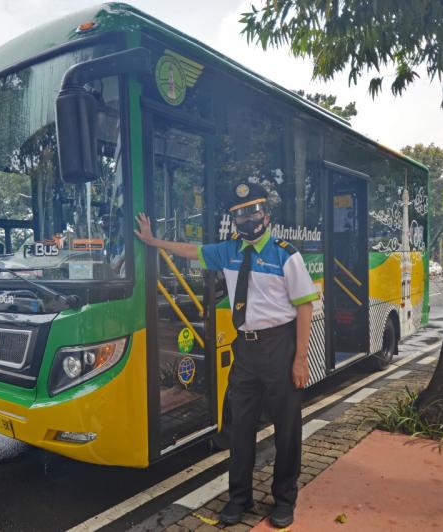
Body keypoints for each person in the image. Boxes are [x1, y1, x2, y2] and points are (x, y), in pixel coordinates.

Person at [134, 182, 317, 528]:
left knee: (287, 427)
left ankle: (284, 499)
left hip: (281, 346)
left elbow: (305, 306)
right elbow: (191, 250)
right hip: (245, 347)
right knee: (240, 427)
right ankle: (239, 498)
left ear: (266, 214)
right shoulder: (230, 251)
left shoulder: (285, 254)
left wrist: (300, 358)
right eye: (239, 215)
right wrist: (153, 242)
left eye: (252, 211)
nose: (247, 219)